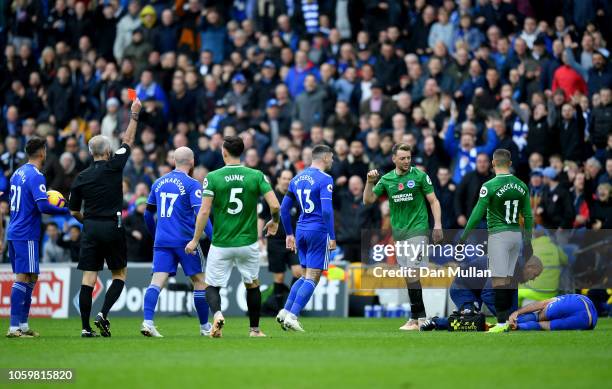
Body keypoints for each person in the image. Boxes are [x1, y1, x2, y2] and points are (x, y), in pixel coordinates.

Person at [185, 136, 280, 338]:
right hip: (248, 242)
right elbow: (275, 205)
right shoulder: (256, 175)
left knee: (211, 285)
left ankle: (218, 315)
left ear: (224, 152)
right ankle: (254, 330)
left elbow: (203, 212)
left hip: (221, 243)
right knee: (252, 284)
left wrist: (195, 240)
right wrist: (275, 221)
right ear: (242, 152)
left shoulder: (213, 177)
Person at [68, 98, 141, 337]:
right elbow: (128, 140)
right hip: (113, 225)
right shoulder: (115, 165)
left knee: (89, 278)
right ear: (108, 152)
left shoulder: (80, 177)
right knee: (119, 274)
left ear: (90, 152)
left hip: (90, 227)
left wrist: (85, 221)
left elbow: (74, 211)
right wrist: (134, 115)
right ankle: (104, 313)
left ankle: (85, 327)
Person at [363, 143, 443, 331]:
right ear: (394, 159)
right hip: (399, 234)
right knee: (408, 275)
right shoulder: (387, 179)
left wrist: (437, 224)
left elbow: (433, 200)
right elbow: (368, 200)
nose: (407, 161)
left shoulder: (420, 176)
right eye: (403, 158)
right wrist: (369, 182)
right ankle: (414, 319)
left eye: (408, 157)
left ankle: (421, 318)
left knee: (412, 272)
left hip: (418, 230)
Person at [140, 147, 214, 338]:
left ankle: (148, 322)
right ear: (192, 162)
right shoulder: (192, 184)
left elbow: (148, 214)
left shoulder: (158, 182)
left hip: (162, 241)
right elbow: (201, 214)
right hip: (185, 241)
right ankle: (205, 327)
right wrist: (214, 238)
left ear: (174, 160)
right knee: (199, 281)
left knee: (156, 281)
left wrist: (156, 234)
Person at [460, 148, 533, 333]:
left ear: (493, 163)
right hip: (516, 235)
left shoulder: (489, 186)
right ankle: (510, 320)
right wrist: (528, 241)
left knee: (499, 281)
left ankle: (501, 323)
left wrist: (463, 236)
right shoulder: (522, 185)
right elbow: (528, 216)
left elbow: (477, 214)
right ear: (509, 164)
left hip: (499, 236)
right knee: (509, 280)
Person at [6, 138, 71, 337]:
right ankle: (14, 326)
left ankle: (23, 325)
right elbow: (42, 206)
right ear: (42, 152)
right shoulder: (36, 176)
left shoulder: (17, 173)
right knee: (23, 277)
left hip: (14, 230)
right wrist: (65, 210)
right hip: (26, 233)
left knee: (31, 276)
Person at [277, 145, 336, 332]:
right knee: (313, 277)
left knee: (304, 276)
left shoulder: (296, 179)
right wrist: (332, 236)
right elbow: (326, 210)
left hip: (300, 230)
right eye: (332, 157)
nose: (333, 161)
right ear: (325, 158)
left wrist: (288, 233)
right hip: (318, 231)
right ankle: (293, 316)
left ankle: (285, 311)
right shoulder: (325, 179)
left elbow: (283, 209)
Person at [259, 169, 303, 311]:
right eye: (284, 178)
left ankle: (289, 305)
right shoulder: (270, 197)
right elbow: (260, 218)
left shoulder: (296, 197)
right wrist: (260, 237)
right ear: (278, 179)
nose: (286, 181)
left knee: (299, 272)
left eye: (289, 178)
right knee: (279, 278)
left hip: (292, 241)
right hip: (275, 242)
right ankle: (278, 309)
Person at [509, 294, 598, 331]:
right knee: (544, 325)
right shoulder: (570, 297)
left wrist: (517, 312)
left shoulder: (560, 300)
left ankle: (510, 324)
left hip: (575, 305)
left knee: (539, 316)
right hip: (588, 321)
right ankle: (517, 326)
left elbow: (541, 305)